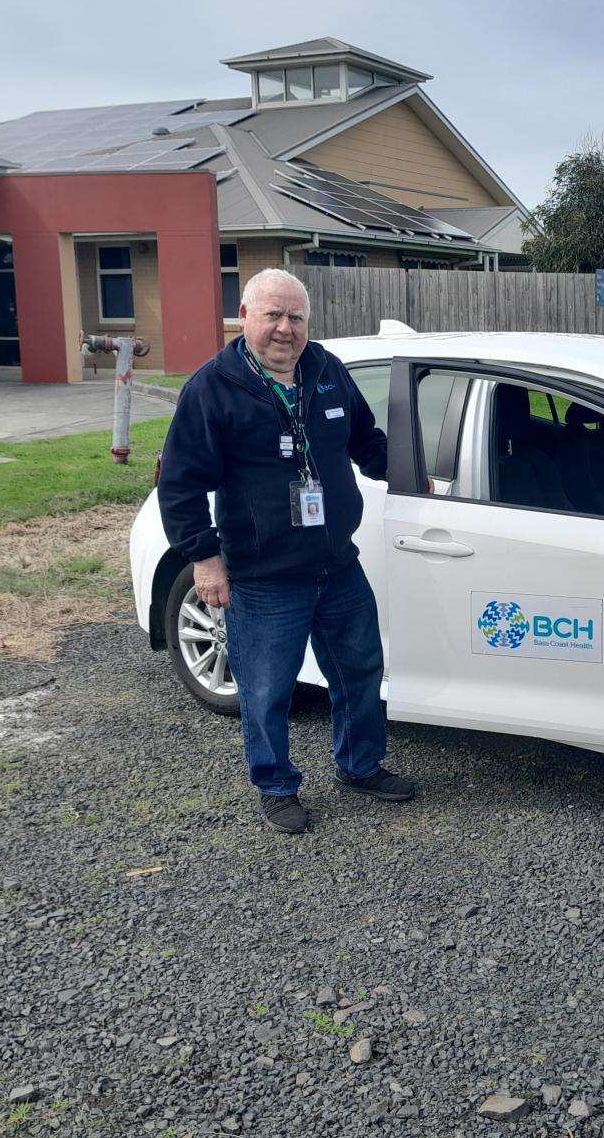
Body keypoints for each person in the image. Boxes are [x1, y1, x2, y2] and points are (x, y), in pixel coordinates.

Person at [157, 267, 415, 833]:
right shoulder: (212, 387)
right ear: (244, 317)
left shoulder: (324, 369)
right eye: (272, 315)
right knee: (268, 688)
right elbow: (179, 483)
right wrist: (204, 557)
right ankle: (275, 786)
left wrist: (420, 476)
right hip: (263, 576)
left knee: (360, 672)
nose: (285, 328)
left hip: (336, 565)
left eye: (295, 317)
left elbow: (365, 441)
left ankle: (361, 765)